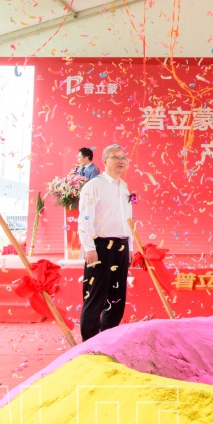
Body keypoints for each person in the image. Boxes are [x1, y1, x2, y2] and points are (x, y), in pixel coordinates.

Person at [77, 144, 134, 341]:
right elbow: (85, 218)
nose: (121, 161)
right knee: (96, 296)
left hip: (121, 246)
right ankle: (90, 344)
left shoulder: (124, 187)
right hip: (100, 246)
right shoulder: (94, 186)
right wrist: (89, 247)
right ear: (105, 161)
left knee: (117, 297)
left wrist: (130, 247)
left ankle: (108, 341)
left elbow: (127, 219)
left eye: (123, 157)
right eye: (116, 157)